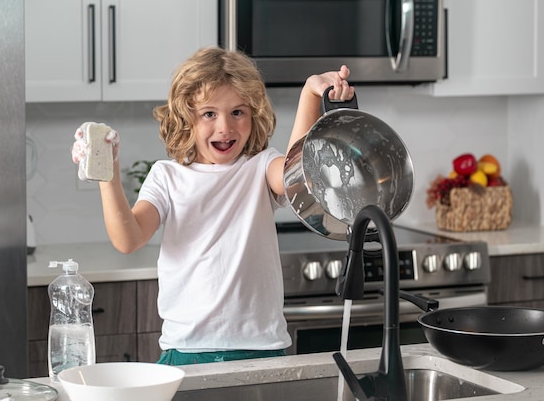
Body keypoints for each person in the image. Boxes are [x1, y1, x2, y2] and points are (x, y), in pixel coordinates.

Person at [71, 47, 354, 366]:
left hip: (261, 350)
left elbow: (295, 175)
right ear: (186, 117)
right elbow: (128, 239)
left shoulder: (261, 166)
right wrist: (106, 172)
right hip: (188, 351)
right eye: (209, 113)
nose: (225, 127)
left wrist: (310, 94)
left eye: (238, 112)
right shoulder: (167, 177)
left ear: (254, 114)